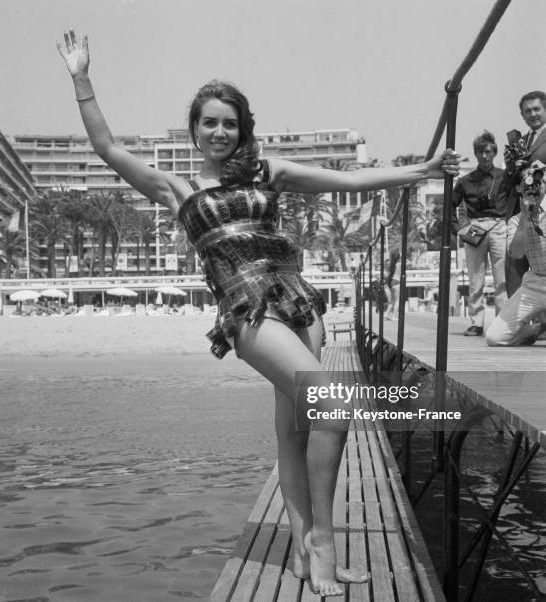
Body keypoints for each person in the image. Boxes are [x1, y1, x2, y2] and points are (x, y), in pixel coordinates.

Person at [57, 30, 460, 597]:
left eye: (229, 123)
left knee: (295, 433)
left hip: (298, 302)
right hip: (247, 312)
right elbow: (108, 149)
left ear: (242, 128)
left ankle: (303, 552)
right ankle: (324, 542)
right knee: (333, 403)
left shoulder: (266, 171)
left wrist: (423, 171)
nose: (219, 132)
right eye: (209, 123)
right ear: (194, 130)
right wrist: (81, 79)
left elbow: (348, 180)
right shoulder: (177, 189)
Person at [452, 131, 507, 336]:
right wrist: (459, 229)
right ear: (475, 154)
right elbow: (449, 206)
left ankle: (502, 322)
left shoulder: (504, 177)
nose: (484, 156)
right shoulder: (466, 181)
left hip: (500, 226)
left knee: (502, 278)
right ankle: (476, 322)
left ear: (494, 152)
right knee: (476, 278)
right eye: (480, 152)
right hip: (475, 227)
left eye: (488, 151)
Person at [486, 160, 546, 346]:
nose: (534, 187)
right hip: (536, 282)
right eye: (527, 183)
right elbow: (517, 253)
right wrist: (526, 215)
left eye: (538, 182)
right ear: (520, 188)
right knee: (494, 338)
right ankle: (537, 329)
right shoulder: (515, 221)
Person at [503, 91, 546, 296]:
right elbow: (507, 182)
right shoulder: (520, 140)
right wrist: (512, 167)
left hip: (544, 205)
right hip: (520, 207)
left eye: (536, 109)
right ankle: (519, 322)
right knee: (515, 265)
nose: (532, 114)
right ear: (522, 115)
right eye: (527, 111)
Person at [383, 247, 400, 320]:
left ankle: (386, 315)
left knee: (392, 302)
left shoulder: (391, 266)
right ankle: (394, 316)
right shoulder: (398, 265)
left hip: (392, 283)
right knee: (397, 301)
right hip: (397, 282)